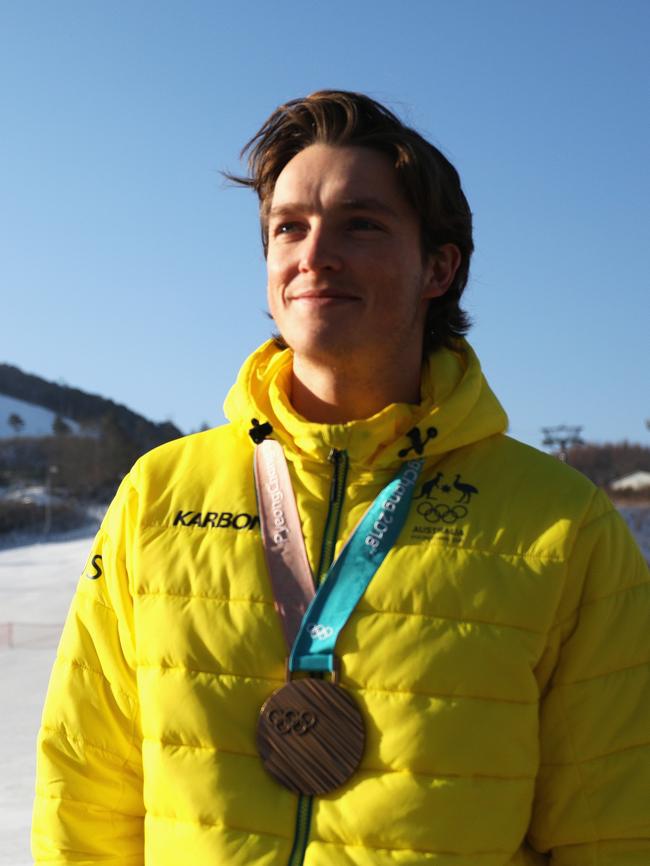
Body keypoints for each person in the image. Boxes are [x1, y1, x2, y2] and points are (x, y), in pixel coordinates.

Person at [32, 91, 649, 866]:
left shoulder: (561, 528)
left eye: (360, 224)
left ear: (439, 266)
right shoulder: (159, 495)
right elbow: (85, 793)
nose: (314, 254)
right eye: (290, 226)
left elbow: (614, 828)